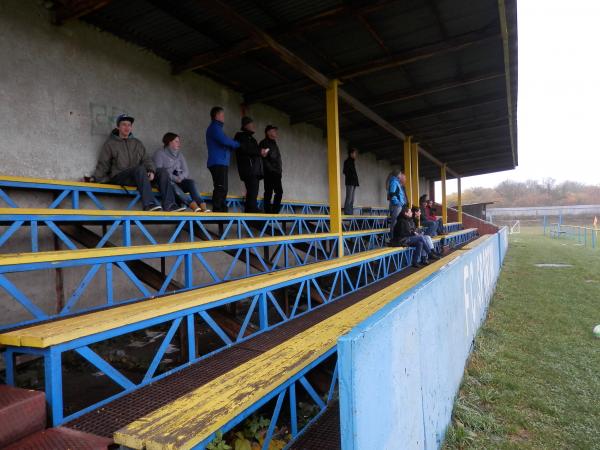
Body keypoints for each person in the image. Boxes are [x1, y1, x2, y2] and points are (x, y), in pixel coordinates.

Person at [92, 114, 179, 211]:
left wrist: (151, 171)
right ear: (118, 127)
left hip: (138, 176)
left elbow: (147, 159)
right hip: (121, 176)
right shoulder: (110, 144)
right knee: (140, 169)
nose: (127, 127)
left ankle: (170, 205)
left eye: (129, 125)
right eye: (124, 125)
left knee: (162, 171)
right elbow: (103, 164)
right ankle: (149, 204)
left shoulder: (137, 143)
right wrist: (94, 178)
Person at [153, 133, 209, 212]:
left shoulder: (180, 155)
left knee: (191, 182)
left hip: (179, 181)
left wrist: (180, 178)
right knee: (172, 184)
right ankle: (192, 205)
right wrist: (175, 178)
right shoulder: (159, 153)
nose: (179, 144)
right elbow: (159, 171)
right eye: (176, 141)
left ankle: (202, 205)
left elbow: (186, 171)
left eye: (179, 141)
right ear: (169, 142)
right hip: (166, 183)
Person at [206, 106, 240, 212]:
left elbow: (225, 142)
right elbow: (224, 140)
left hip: (221, 162)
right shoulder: (214, 128)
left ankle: (222, 208)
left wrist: (231, 144)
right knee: (221, 187)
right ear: (217, 115)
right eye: (222, 115)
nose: (224, 117)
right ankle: (217, 208)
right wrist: (237, 144)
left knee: (223, 187)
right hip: (217, 162)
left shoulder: (217, 128)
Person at [234, 117, 267, 213]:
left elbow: (255, 152)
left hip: (255, 170)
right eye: (251, 124)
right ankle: (251, 210)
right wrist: (259, 151)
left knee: (253, 191)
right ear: (245, 125)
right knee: (252, 191)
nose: (253, 126)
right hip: (248, 169)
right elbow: (244, 149)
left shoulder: (252, 139)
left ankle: (251, 209)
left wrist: (262, 153)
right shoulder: (240, 136)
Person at [259, 125, 283, 214]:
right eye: (273, 131)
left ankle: (275, 212)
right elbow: (263, 159)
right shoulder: (264, 143)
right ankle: (268, 212)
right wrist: (271, 170)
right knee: (269, 192)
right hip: (269, 172)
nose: (276, 132)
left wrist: (279, 170)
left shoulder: (274, 143)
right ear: (268, 132)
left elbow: (276, 159)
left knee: (279, 192)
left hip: (276, 172)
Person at [387, 169, 406, 238]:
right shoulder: (394, 182)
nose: (401, 175)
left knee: (396, 222)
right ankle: (392, 238)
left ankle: (395, 237)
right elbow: (392, 194)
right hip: (396, 206)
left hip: (398, 205)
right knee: (394, 222)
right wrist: (398, 203)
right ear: (398, 175)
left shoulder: (396, 182)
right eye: (400, 174)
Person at [343, 146, 359, 215]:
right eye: (354, 153)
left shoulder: (352, 162)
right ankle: (347, 212)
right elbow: (344, 171)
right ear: (351, 154)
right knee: (349, 198)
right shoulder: (347, 161)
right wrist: (351, 176)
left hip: (354, 182)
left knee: (352, 199)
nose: (355, 155)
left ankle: (350, 212)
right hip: (350, 182)